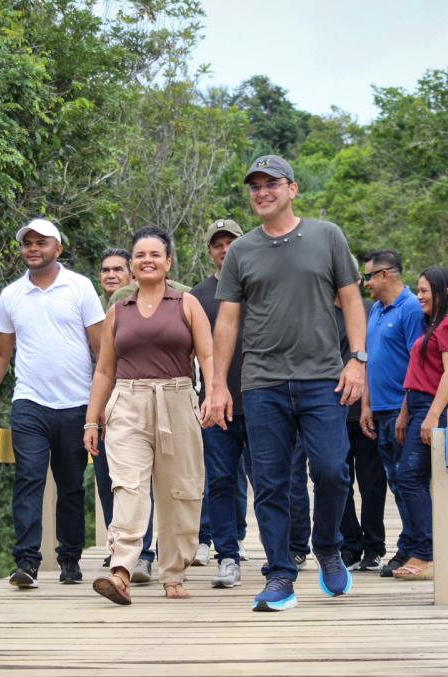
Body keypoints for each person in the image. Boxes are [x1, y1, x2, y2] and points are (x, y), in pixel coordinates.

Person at [206, 154, 367, 612]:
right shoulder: (241, 251)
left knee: (333, 471)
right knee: (272, 483)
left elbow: (352, 302)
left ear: (292, 188)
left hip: (322, 378)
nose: (262, 192)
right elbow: (228, 323)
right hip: (262, 383)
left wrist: (357, 360)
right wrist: (218, 383)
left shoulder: (326, 236)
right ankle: (280, 575)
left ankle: (329, 547)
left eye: (271, 183)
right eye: (254, 186)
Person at [0, 218, 104, 589]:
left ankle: (70, 559)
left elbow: (100, 348)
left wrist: (102, 403)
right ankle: (27, 562)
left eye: (41, 242)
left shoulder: (79, 287)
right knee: (28, 479)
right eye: (27, 243)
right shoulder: (12, 295)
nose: (32, 248)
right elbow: (0, 354)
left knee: (71, 485)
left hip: (77, 403)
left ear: (57, 249)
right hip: (29, 401)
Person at [85, 227, 214, 605]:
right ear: (132, 264)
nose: (147, 260)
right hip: (128, 401)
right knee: (128, 486)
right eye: (140, 255)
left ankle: (173, 570)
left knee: (181, 490)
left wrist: (213, 395)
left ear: (168, 261)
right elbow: (105, 371)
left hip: (177, 398)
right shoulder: (118, 311)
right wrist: (93, 420)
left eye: (155, 254)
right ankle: (122, 569)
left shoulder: (186, 303)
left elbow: (207, 357)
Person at [290, 282, 387, 574]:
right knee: (335, 478)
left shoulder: (371, 312)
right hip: (328, 409)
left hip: (366, 409)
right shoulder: (316, 313)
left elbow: (378, 358)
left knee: (372, 481)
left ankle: (374, 546)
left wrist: (371, 403)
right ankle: (349, 544)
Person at [392, 266, 448, 581]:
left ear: (443, 292)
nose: (419, 296)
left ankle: (426, 554)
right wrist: (405, 411)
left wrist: (432, 415)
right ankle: (423, 548)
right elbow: (418, 375)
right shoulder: (433, 326)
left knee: (410, 477)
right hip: (418, 404)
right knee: (414, 478)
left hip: (435, 406)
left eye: (424, 290)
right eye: (418, 290)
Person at [191, 218, 253, 588]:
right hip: (214, 404)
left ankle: (283, 556)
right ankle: (226, 555)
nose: (225, 249)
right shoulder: (198, 296)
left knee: (271, 481)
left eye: (232, 241)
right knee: (220, 481)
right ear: (211, 251)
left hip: (265, 399)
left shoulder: (261, 287)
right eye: (218, 244)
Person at [359, 250, 426, 577]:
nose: (366, 282)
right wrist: (366, 405)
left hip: (403, 411)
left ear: (386, 275)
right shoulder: (374, 310)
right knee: (396, 481)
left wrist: (404, 411)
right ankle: (409, 545)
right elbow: (370, 359)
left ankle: (419, 549)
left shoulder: (411, 308)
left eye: (370, 275)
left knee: (409, 481)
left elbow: (418, 363)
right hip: (379, 409)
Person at [94, 248, 156, 581]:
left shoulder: (161, 304)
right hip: (111, 404)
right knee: (114, 482)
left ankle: (145, 553)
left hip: (149, 402)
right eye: (105, 270)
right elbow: (102, 367)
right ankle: (121, 549)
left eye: (119, 268)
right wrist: (95, 412)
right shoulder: (101, 313)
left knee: (139, 483)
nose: (111, 275)